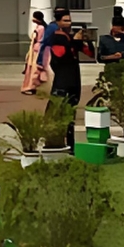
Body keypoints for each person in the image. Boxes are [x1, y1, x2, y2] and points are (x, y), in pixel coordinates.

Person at [46, 9, 90, 147]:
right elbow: (61, 54)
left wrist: (86, 41)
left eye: (69, 20)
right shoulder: (56, 37)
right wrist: (74, 42)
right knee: (57, 112)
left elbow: (89, 53)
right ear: (58, 22)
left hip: (74, 79)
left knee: (71, 114)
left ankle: (71, 144)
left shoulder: (71, 37)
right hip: (62, 80)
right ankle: (53, 142)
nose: (69, 23)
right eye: (65, 20)